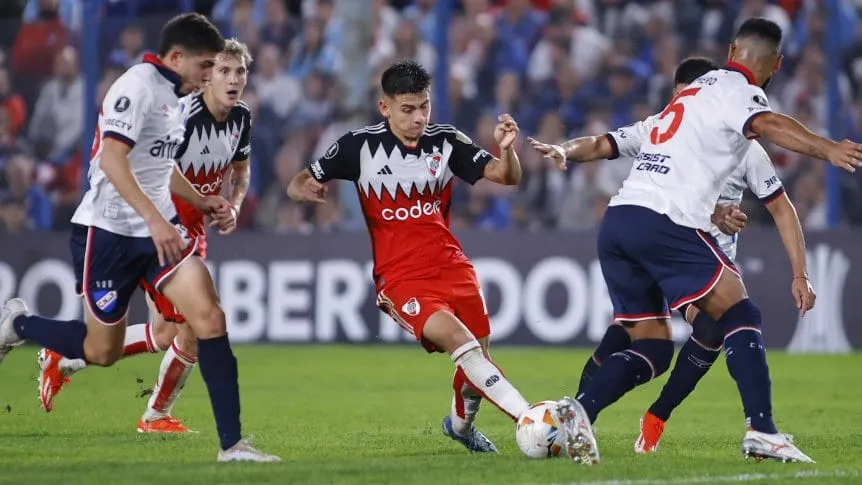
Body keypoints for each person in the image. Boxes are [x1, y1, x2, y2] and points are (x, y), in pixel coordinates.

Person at [529, 18, 862, 465]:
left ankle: (580, 410)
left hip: (619, 221)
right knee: (740, 311)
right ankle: (762, 430)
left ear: (731, 48)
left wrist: (564, 150)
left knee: (651, 344)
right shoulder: (737, 89)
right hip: (664, 222)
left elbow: (607, 142)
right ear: (776, 64)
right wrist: (827, 149)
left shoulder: (685, 98)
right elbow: (767, 122)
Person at [0, 14, 278, 462]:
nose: (212, 76)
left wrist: (203, 202)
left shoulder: (178, 94)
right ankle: (18, 326)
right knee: (101, 350)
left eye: (224, 69)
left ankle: (232, 445)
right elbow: (112, 161)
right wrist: (155, 219)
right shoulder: (137, 87)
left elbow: (161, 167)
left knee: (208, 318)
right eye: (207, 66)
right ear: (176, 58)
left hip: (161, 230)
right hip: (108, 231)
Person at [288, 60, 532, 452]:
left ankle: (461, 427)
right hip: (400, 278)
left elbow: (507, 177)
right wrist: (306, 190)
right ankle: (532, 418)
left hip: (452, 266)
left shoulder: (447, 141)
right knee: (462, 345)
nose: (418, 118)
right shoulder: (357, 146)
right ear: (385, 107)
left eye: (424, 107)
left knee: (478, 356)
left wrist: (507, 151)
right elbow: (298, 181)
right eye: (407, 109)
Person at [36, 39, 255, 435]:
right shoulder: (183, 114)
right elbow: (157, 167)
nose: (232, 79)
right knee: (190, 329)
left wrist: (234, 203)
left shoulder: (241, 118)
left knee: (170, 333)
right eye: (223, 70)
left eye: (239, 72)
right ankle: (154, 414)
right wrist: (200, 199)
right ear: (207, 76)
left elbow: (241, 169)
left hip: (193, 227)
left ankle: (69, 359)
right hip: (157, 223)